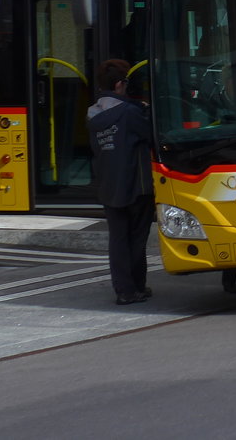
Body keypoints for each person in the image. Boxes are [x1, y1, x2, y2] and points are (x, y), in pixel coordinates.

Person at [88, 58, 155, 305]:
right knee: (137, 238)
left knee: (117, 239)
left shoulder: (94, 115)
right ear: (119, 84)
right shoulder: (131, 112)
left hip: (108, 184)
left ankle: (123, 290)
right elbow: (150, 134)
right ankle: (137, 286)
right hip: (136, 184)